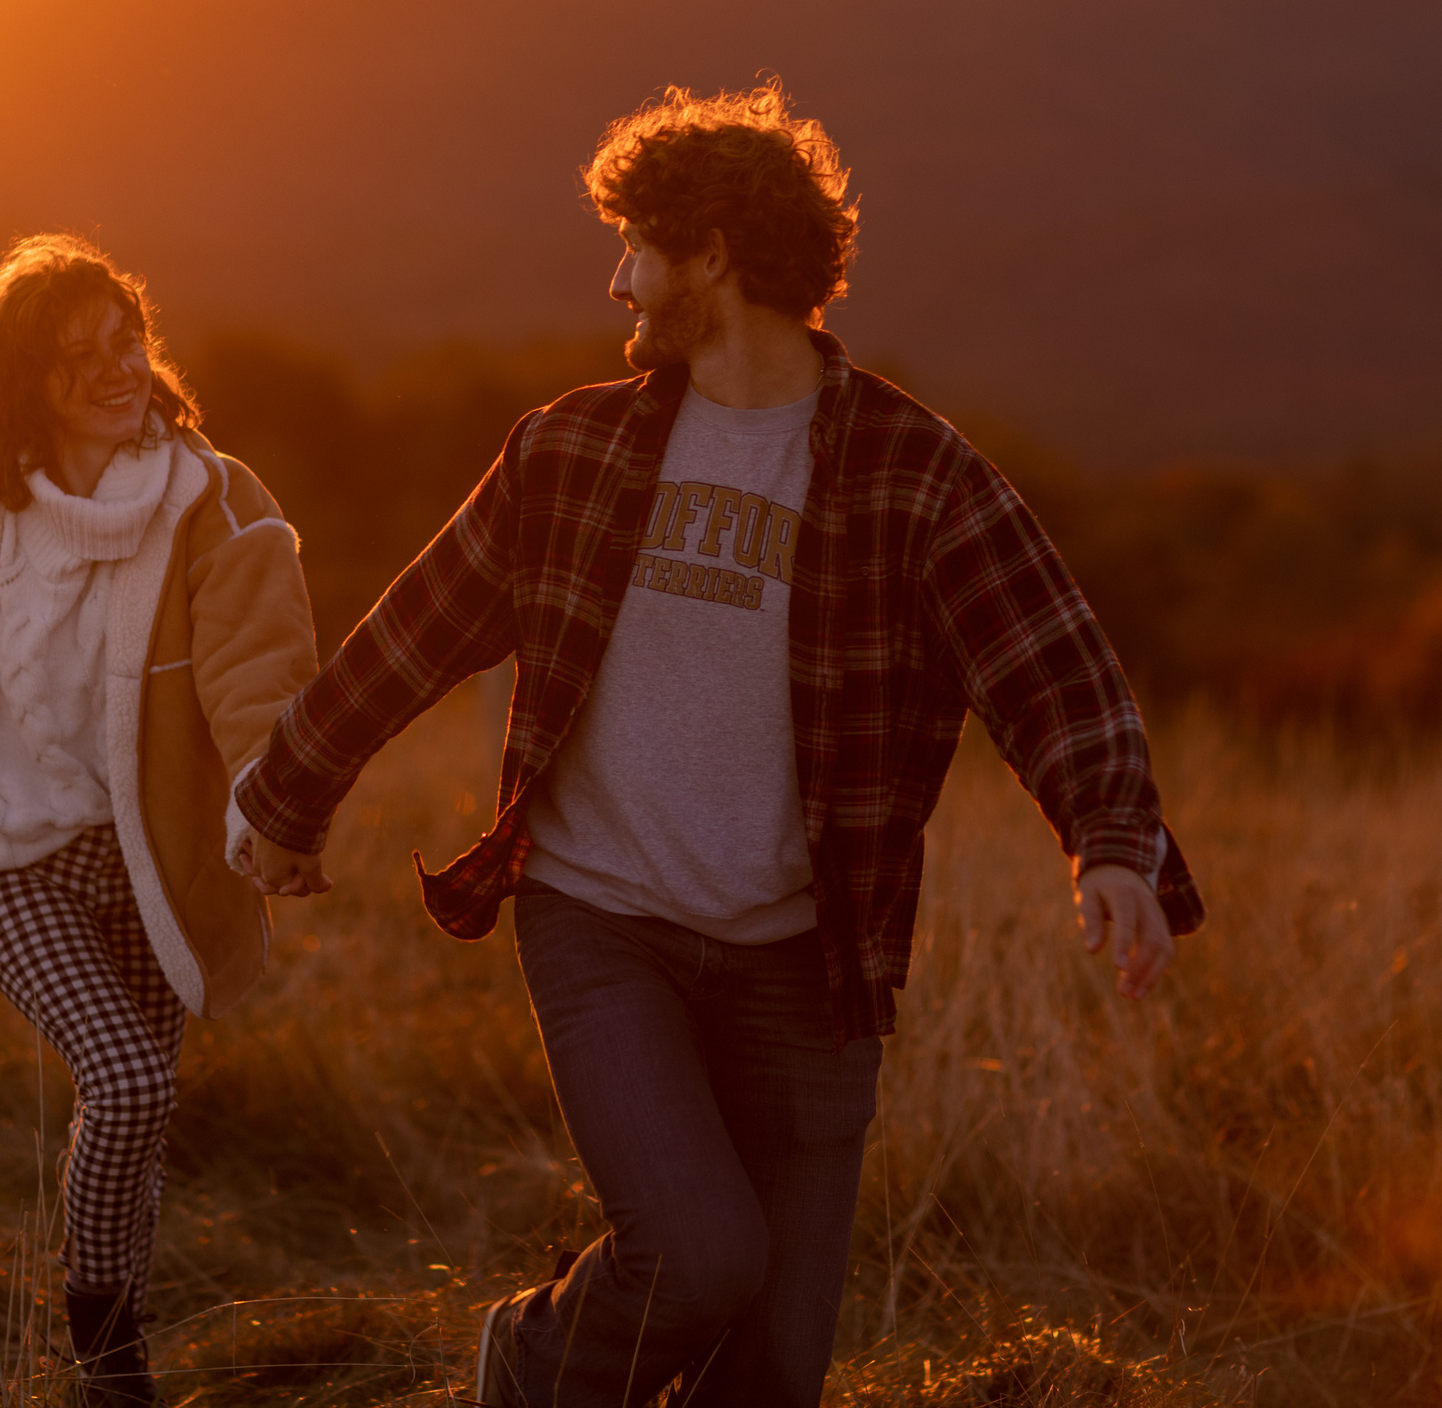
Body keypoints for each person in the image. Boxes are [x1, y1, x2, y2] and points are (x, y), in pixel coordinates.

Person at [234, 82, 1204, 1407]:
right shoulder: (574, 448)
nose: (618, 280)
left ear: (714, 260)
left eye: (638, 245)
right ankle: (526, 1369)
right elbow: (418, 630)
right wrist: (289, 790)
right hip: (603, 922)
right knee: (697, 1257)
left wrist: (1114, 847)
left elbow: (1056, 671)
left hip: (809, 961)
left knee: (774, 1372)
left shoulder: (912, 475)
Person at [0, 236, 319, 1406]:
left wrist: (276, 795)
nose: (120, 371)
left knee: (137, 1117)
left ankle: (115, 1359)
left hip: (148, 861)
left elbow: (257, 660)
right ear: (24, 385)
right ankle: (105, 1355)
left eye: (129, 342)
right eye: (81, 359)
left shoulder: (205, 496)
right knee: (129, 1086)